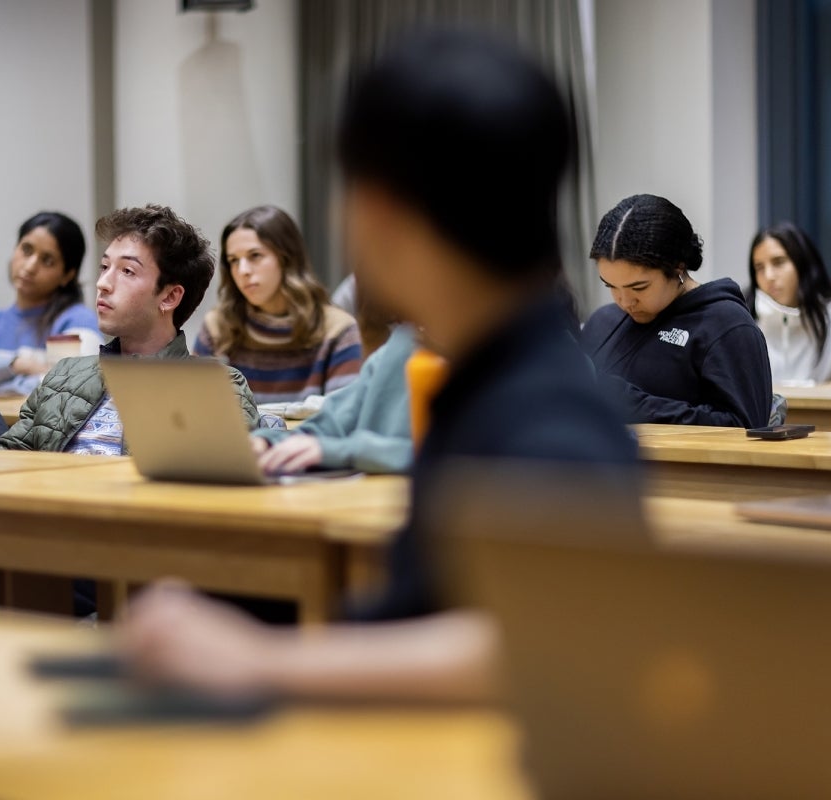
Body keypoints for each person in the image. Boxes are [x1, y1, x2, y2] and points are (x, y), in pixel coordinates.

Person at [121, 30, 640, 703]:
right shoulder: (465, 362)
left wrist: (260, 661)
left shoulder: (542, 406)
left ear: (379, 211)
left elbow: (551, 645)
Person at [0, 205, 259, 453]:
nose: (103, 283)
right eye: (104, 267)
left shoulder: (215, 386)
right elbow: (5, 457)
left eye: (127, 271)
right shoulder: (64, 375)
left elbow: (222, 485)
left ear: (169, 297)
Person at [580, 194, 772, 428]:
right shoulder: (603, 322)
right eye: (611, 286)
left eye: (639, 287)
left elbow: (745, 428)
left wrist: (634, 405)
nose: (625, 301)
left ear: (678, 268)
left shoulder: (726, 325)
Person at [193, 205, 363, 405]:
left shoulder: (338, 330)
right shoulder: (217, 327)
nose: (243, 270)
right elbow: (198, 409)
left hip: (309, 436)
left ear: (286, 259)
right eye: (234, 261)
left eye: (255, 256)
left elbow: (343, 417)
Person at [0, 212, 102, 395]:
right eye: (26, 250)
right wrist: (18, 364)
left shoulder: (78, 321)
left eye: (47, 260)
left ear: (67, 275)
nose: (30, 266)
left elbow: (70, 389)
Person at [251, 323, 416, 476]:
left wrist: (343, 451)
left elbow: (436, 460)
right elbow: (325, 430)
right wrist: (267, 443)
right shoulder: (401, 345)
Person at [748, 221, 831, 386]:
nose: (769, 276)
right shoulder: (748, 323)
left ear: (802, 263)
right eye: (759, 268)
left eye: (778, 262)